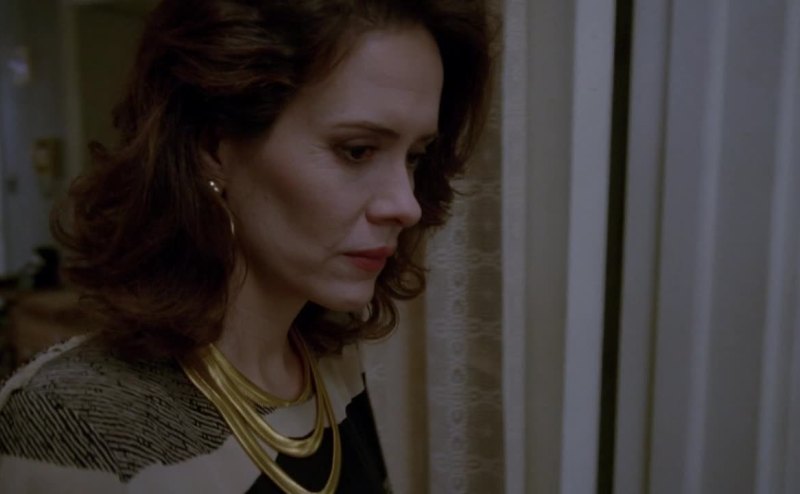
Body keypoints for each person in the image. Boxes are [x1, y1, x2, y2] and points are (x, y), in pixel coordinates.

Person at [0, 0, 493, 492]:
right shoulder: (73, 424)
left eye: (414, 156)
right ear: (211, 148)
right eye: (357, 150)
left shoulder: (329, 361)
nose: (406, 205)